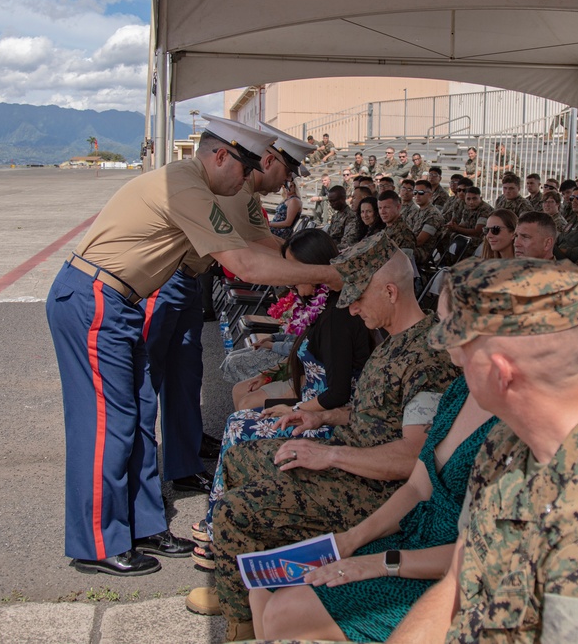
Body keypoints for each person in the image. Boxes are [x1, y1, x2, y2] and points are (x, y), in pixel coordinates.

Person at [46, 114, 339, 577]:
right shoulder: (186, 186)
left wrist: (318, 263)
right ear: (220, 156)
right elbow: (245, 262)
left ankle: (141, 526)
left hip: (121, 302)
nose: (248, 178)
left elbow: (252, 246)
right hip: (97, 300)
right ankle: (97, 542)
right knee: (106, 425)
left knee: (137, 414)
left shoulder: (196, 186)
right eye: (244, 168)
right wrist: (327, 274)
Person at [388, 258, 578, 643]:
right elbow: (459, 581)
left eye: (462, 350)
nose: (455, 361)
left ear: (500, 373)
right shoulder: (507, 442)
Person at [190, 234, 461, 639]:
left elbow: (413, 456)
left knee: (236, 512)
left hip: (376, 490)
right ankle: (245, 576)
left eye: (358, 297)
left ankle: (244, 621)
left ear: (389, 292)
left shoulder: (427, 358)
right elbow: (380, 414)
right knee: (240, 459)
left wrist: (329, 457)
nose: (350, 307)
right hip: (352, 457)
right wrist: (323, 418)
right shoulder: (396, 341)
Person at [247, 285, 499, 642]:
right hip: (415, 540)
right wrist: (351, 541)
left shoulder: (511, 427)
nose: (437, 337)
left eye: (447, 324)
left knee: (285, 611)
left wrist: (380, 563)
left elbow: (482, 554)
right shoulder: (461, 392)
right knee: (264, 589)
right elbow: (417, 486)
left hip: (450, 575)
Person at [145, 123, 313, 494]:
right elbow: (247, 259)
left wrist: (306, 258)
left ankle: (184, 456)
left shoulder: (247, 195)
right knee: (147, 388)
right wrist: (317, 270)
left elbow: (263, 240)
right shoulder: (238, 194)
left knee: (184, 377)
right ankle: (145, 492)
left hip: (187, 282)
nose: (284, 183)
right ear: (269, 160)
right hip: (168, 280)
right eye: (286, 172)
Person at [191, 230, 373, 566]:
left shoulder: (337, 316)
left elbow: (336, 393)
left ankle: (220, 529)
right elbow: (303, 360)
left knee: (240, 427)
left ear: (314, 268)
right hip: (309, 407)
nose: (289, 279)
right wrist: (276, 378)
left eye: (294, 270)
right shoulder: (320, 307)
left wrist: (297, 411)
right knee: (239, 419)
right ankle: (222, 519)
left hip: (325, 420)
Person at [410, 179, 446, 266]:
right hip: (412, 246)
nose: (417, 195)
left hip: (424, 252)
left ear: (430, 194)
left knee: (396, 252)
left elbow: (420, 241)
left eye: (421, 193)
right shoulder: (417, 211)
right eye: (415, 192)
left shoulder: (433, 215)